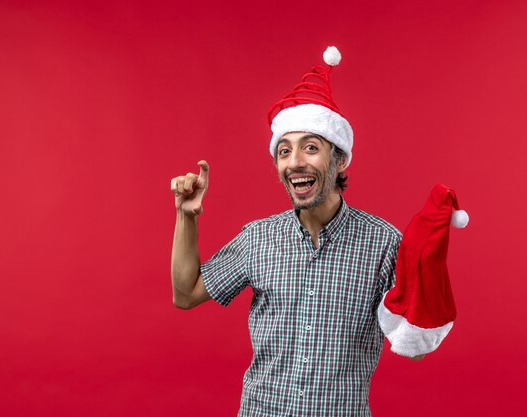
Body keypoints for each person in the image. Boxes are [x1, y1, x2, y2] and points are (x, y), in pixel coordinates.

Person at [170, 47, 423, 417]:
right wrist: (185, 216)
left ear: (340, 160)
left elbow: (414, 345)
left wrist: (427, 284)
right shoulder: (258, 239)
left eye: (310, 147)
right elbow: (185, 294)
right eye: (284, 151)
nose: (295, 162)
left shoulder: (384, 243)